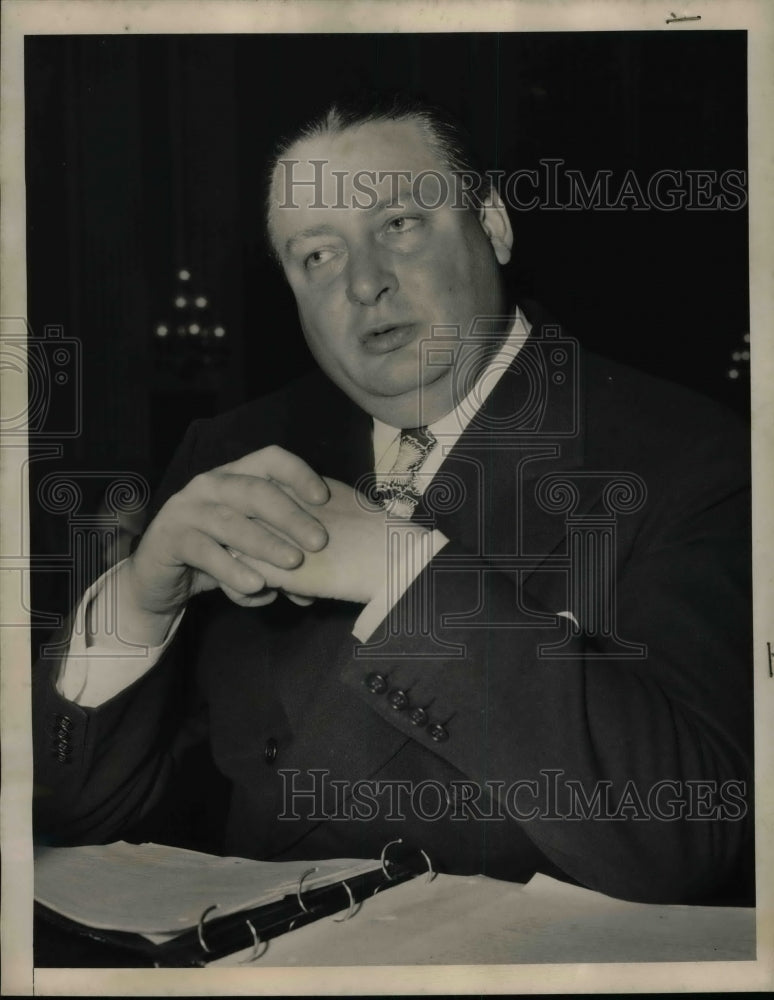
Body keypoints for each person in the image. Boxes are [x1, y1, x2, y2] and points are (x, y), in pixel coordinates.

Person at [32, 96, 752, 905]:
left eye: (400, 224)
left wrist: (400, 569)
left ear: (495, 226)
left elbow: (689, 840)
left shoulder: (687, 454)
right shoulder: (231, 454)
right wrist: (137, 607)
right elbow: (74, 817)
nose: (364, 283)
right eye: (316, 256)